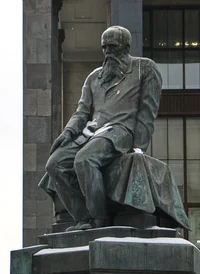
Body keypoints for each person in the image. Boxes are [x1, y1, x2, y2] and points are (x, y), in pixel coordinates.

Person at [44, 25, 162, 231]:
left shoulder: (145, 68)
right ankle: (83, 217)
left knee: (84, 159)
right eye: (104, 47)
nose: (108, 52)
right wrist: (67, 133)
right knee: (54, 164)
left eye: (112, 46)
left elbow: (147, 111)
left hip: (120, 131)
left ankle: (98, 220)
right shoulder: (94, 78)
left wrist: (139, 148)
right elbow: (82, 112)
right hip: (91, 133)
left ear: (125, 47)